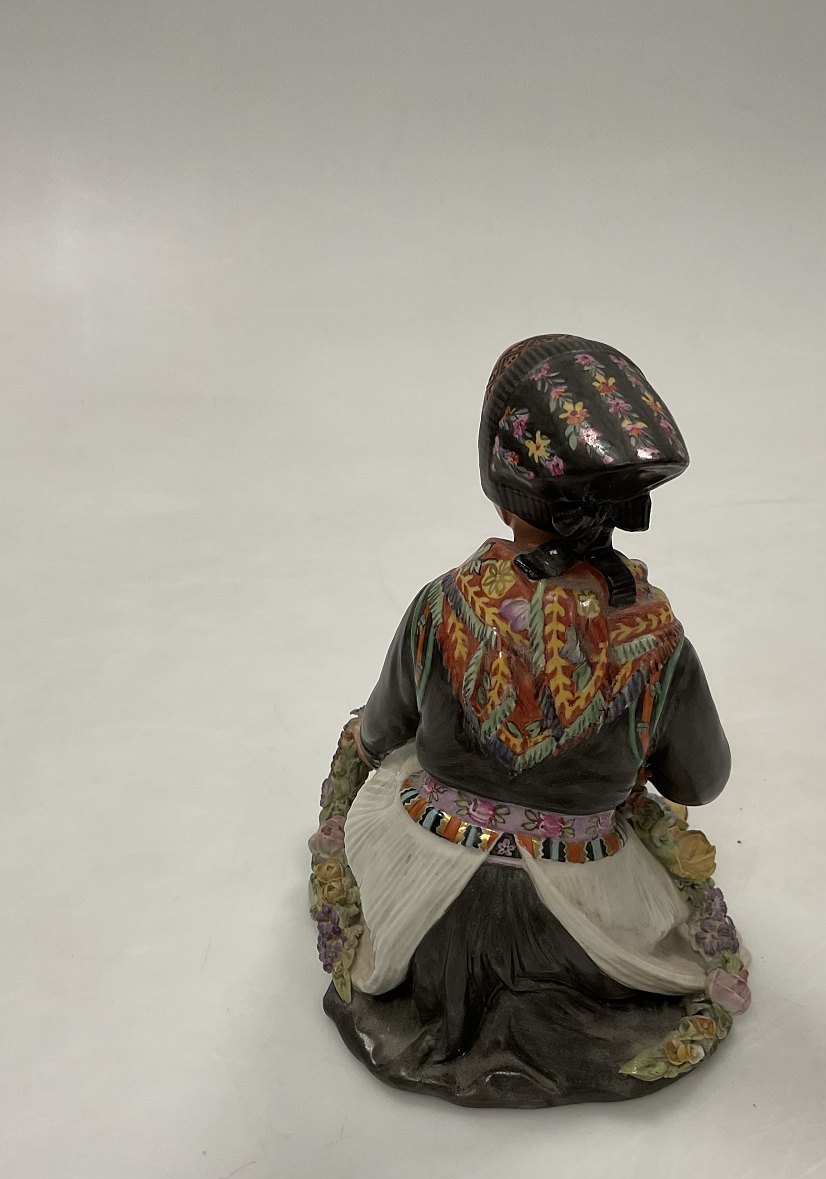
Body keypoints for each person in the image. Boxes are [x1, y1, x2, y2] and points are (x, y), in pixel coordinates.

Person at [311, 334, 749, 1107]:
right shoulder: (657, 639)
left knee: (392, 777)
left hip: (428, 889)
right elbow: (700, 781)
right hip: (586, 899)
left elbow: (380, 730)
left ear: (502, 494)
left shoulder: (445, 604)